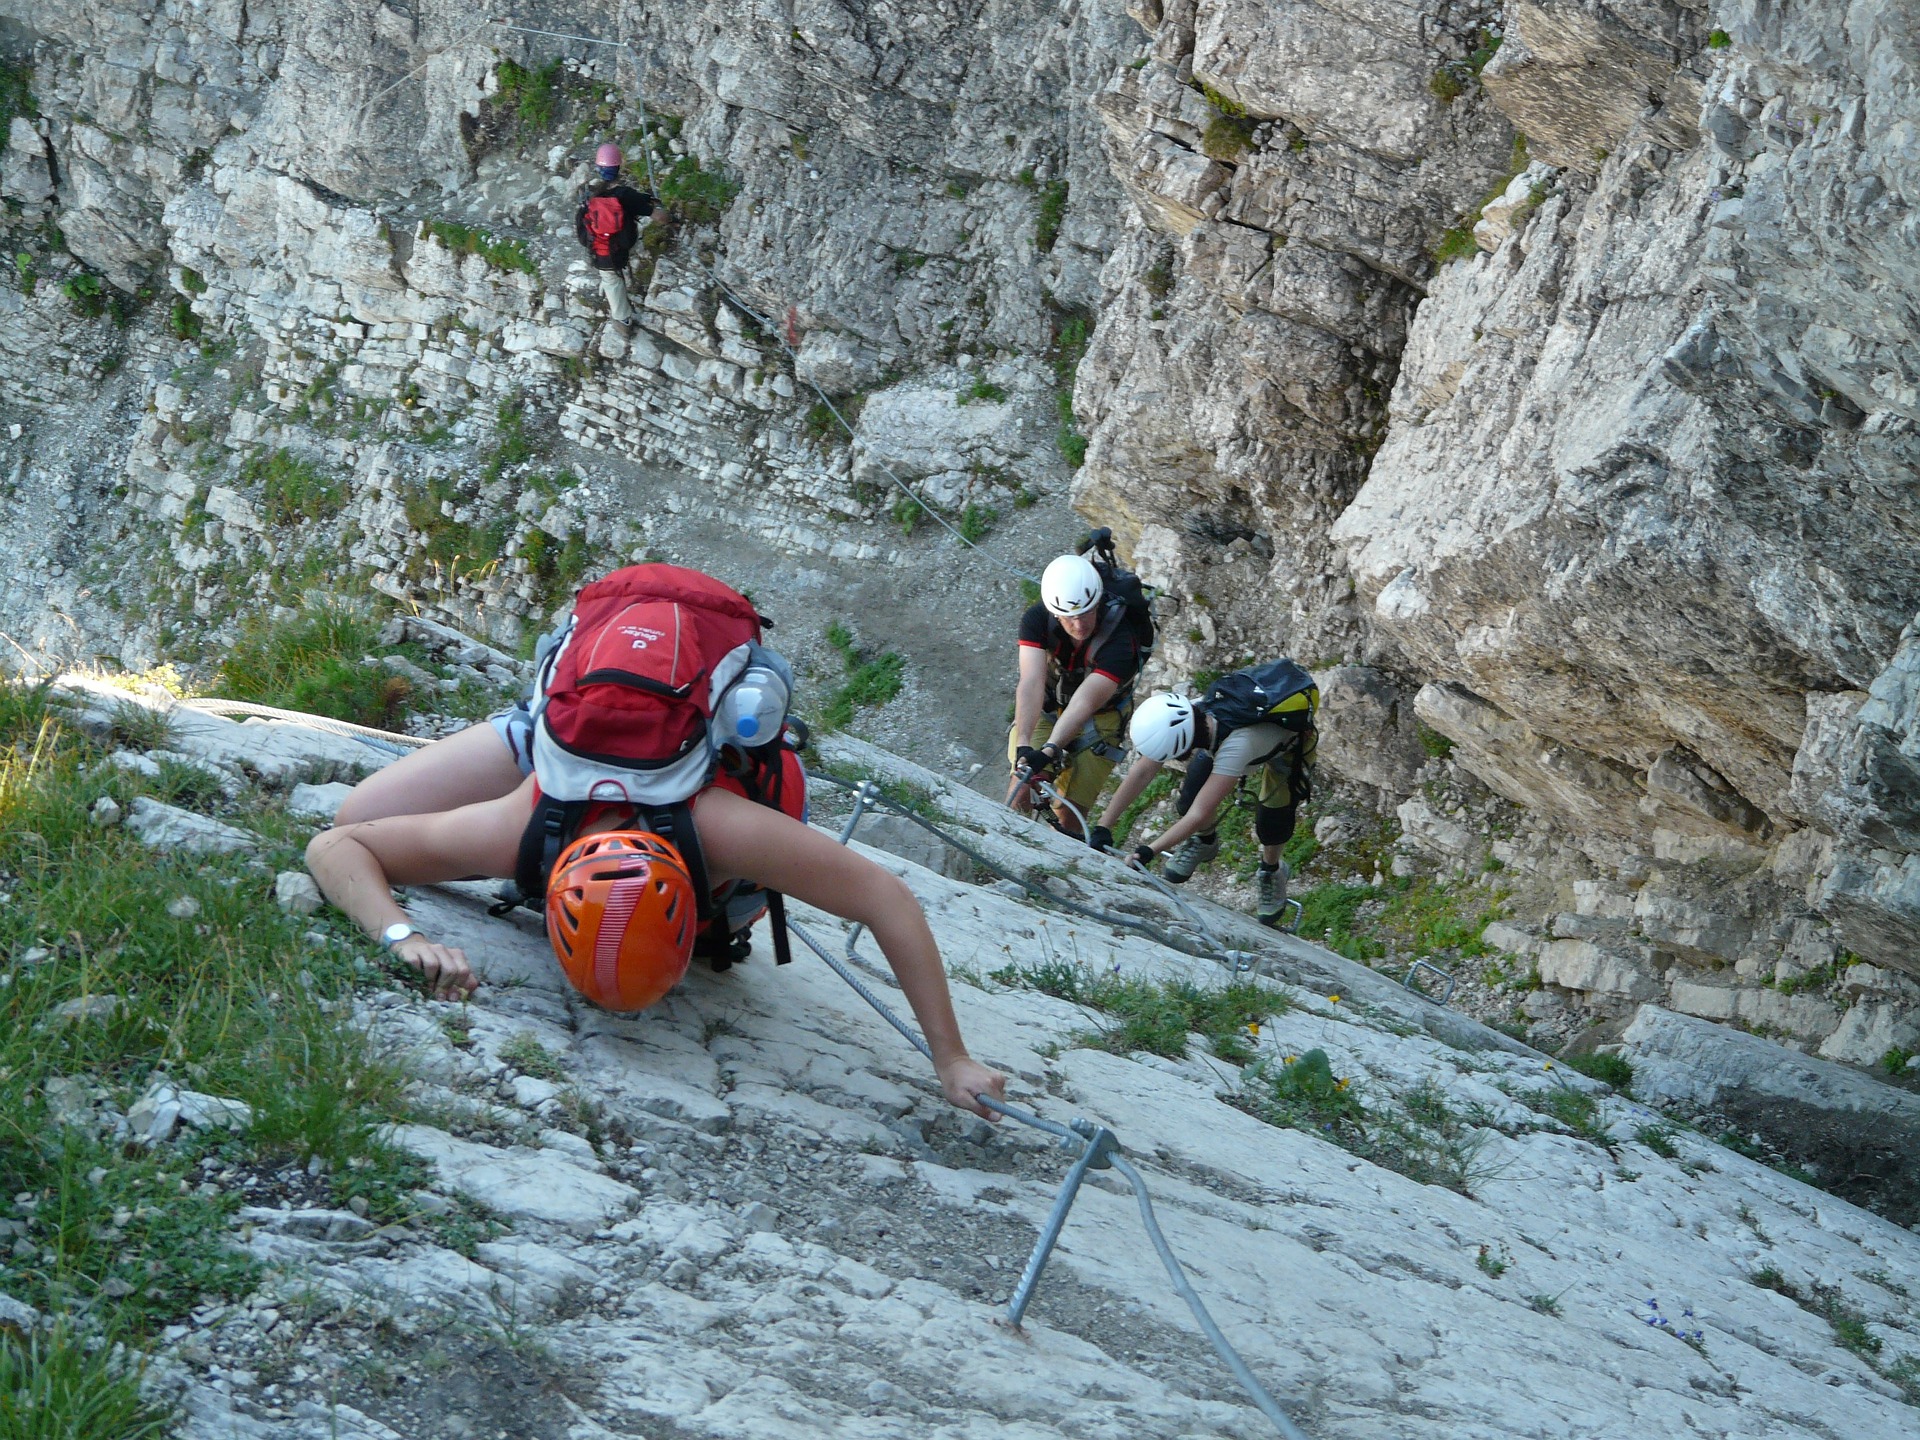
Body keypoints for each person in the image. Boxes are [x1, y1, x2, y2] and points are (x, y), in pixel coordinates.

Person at [310, 567, 1007, 1120]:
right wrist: (400, 935)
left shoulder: (720, 826)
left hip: (680, 756)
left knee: (369, 815)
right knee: (359, 807)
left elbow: (886, 899)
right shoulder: (521, 824)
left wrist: (953, 1058)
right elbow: (337, 842)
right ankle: (531, 727)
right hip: (563, 753)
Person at [1091, 665, 1318, 926]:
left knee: (1272, 820)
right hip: (1231, 738)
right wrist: (1103, 826)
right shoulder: (1190, 714)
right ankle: (1205, 842)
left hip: (1289, 745)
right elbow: (1142, 772)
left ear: (1183, 745)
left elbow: (1201, 812)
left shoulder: (1236, 746)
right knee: (1188, 798)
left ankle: (1272, 869)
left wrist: (1148, 851)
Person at [1005, 553, 1147, 837]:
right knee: (1019, 790)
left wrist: (1049, 749)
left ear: (1098, 603)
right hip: (1048, 705)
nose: (1080, 625)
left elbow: (1086, 701)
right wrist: (1024, 746)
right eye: (1070, 618)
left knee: (1069, 817)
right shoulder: (1036, 619)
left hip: (1101, 716)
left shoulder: (1122, 638)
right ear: (1054, 612)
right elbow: (1032, 680)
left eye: (1087, 613)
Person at [573, 142, 656, 337]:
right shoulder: (626, 196)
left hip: (598, 250)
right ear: (620, 167)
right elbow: (657, 215)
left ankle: (622, 320)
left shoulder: (589, 195)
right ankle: (623, 321)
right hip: (621, 247)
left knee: (610, 279)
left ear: (598, 168)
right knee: (614, 277)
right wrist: (671, 218)